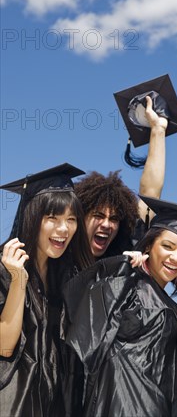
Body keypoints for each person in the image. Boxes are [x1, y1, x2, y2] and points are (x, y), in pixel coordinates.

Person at [62, 196, 177, 417]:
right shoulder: (128, 286)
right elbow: (81, 317)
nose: (175, 257)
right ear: (149, 244)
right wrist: (118, 269)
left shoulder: (172, 311)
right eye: (168, 246)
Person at [0, 163, 93, 417]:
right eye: (53, 218)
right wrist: (19, 280)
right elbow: (5, 348)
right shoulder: (4, 268)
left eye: (71, 219)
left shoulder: (69, 280)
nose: (63, 229)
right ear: (33, 216)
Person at [75, 95, 168, 258]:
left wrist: (158, 130)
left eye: (114, 218)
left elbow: (150, 194)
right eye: (98, 215)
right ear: (80, 218)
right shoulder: (59, 259)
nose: (106, 224)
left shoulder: (120, 259)